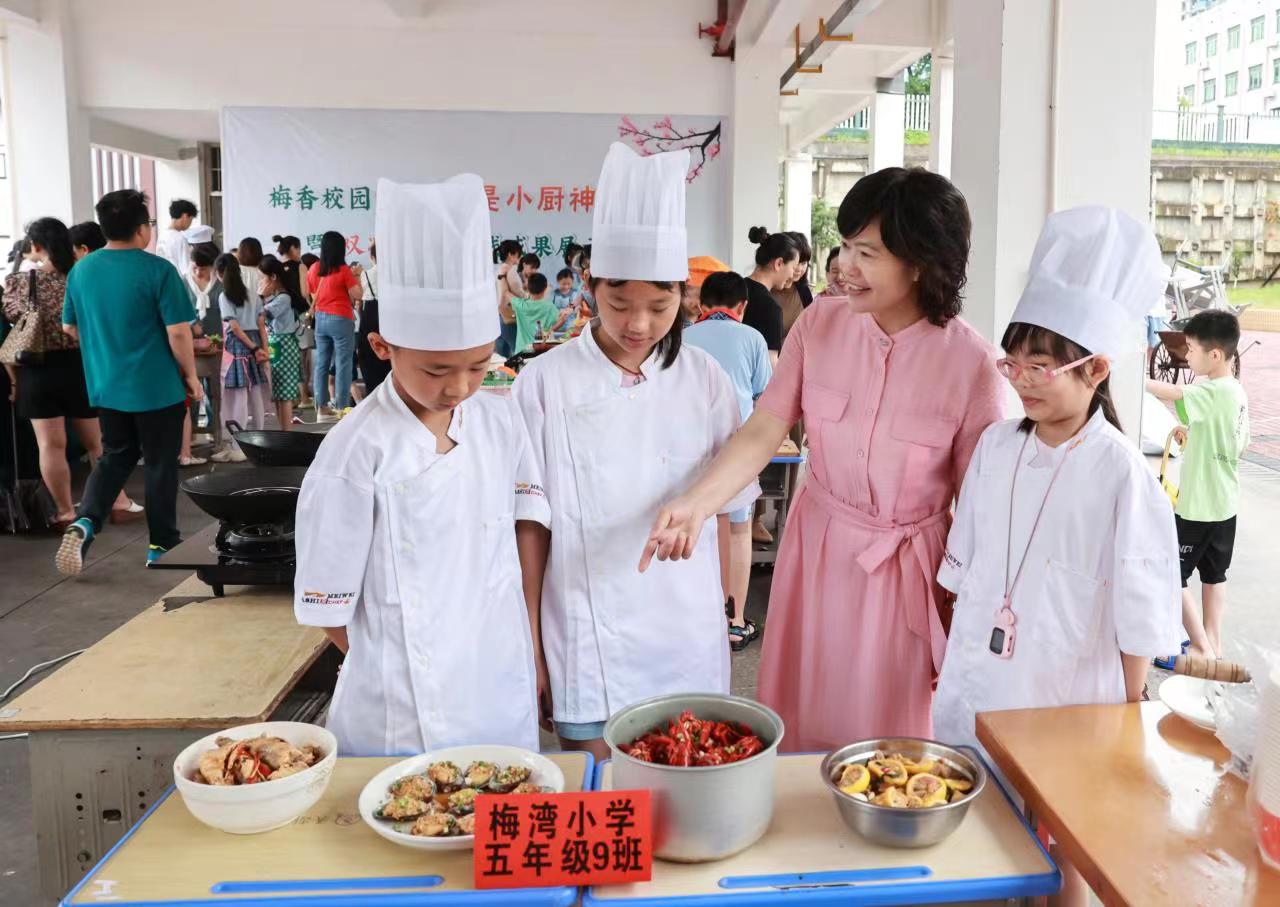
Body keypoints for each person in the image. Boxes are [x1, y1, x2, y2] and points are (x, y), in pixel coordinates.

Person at [641, 167, 1004, 752]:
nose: (846, 267)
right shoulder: (821, 324)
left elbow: (982, 510)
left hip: (907, 575)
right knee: (804, 714)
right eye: (847, 247)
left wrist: (966, 610)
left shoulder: (972, 365)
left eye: (868, 252)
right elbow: (764, 428)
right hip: (818, 550)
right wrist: (696, 505)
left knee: (892, 735)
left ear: (922, 261)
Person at [934, 206, 1182, 907]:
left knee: (1067, 846)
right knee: (983, 830)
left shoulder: (1121, 473)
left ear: (1096, 368)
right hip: (985, 675)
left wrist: (1128, 714)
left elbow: (1142, 607)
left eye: (1041, 364)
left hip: (1070, 694)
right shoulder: (996, 446)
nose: (1023, 379)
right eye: (1015, 360)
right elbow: (967, 560)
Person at [515, 143, 756, 763]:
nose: (640, 325)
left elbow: (735, 514)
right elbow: (531, 528)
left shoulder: (706, 379)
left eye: (661, 306)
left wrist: (732, 616)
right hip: (589, 637)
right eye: (619, 305)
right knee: (603, 796)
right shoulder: (544, 382)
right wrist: (532, 644)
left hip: (688, 632)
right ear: (590, 287)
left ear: (686, 295)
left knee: (691, 787)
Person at [293, 175, 548, 755]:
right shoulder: (355, 451)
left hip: (497, 687)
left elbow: (519, 534)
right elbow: (329, 604)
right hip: (402, 714)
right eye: (436, 371)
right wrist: (397, 668)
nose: (460, 387)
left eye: (479, 365)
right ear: (383, 347)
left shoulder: (498, 421)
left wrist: (526, 649)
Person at [56, 189, 200, 573]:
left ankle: (86, 519)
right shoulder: (158, 270)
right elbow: (179, 333)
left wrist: (107, 345)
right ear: (141, 229)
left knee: (115, 457)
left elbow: (70, 327)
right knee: (158, 465)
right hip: (156, 388)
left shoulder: (81, 271)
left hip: (107, 386)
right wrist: (190, 376)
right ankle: (162, 544)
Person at [2, 218, 142, 529]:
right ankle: (117, 502)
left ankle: (65, 513)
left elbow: (12, 316)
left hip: (37, 370)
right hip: (80, 367)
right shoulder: (84, 277)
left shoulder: (21, 283)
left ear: (35, 246)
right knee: (99, 444)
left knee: (51, 445)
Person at [1147, 310, 1249, 660]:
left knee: (1169, 572)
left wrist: (1132, 378)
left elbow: (1173, 391)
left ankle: (1201, 648)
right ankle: (1213, 644)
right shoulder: (1236, 393)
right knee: (1214, 574)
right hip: (1225, 504)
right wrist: (1194, 434)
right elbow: (1236, 442)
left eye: (1191, 349)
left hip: (1199, 506)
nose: (1187, 356)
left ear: (1215, 355)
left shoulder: (1214, 390)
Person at [682, 269, 773, 651]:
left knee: (692, 529)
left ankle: (694, 621)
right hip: (737, 450)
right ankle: (734, 622)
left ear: (700, 304)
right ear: (743, 306)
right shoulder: (752, 337)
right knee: (737, 532)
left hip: (687, 450)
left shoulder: (682, 337)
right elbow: (766, 395)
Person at [211, 253, 269, 463]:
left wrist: (254, 349)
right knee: (255, 394)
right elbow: (261, 325)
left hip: (239, 345)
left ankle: (238, 446)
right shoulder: (253, 294)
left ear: (219, 273)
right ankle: (259, 441)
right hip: (254, 343)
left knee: (237, 398)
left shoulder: (225, 296)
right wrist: (263, 349)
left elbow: (234, 327)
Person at [307, 231, 363, 418]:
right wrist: (356, 276)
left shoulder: (314, 268)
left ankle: (321, 408)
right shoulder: (344, 270)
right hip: (340, 319)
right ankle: (341, 408)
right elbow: (358, 295)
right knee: (343, 364)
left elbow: (313, 294)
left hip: (320, 320)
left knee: (321, 364)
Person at [180, 244, 221, 465]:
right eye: (195, 268)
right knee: (191, 385)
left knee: (214, 389)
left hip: (216, 340)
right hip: (190, 343)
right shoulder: (183, 282)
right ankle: (192, 433)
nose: (198, 273)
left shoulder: (220, 283)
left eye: (203, 269)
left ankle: (216, 431)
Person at [743, 228, 798, 366]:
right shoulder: (770, 308)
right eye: (793, 267)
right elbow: (770, 365)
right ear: (779, 263)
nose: (793, 275)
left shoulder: (734, 288)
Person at [260, 254, 302, 432]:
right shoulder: (279, 297)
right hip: (278, 346)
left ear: (273, 277)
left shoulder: (283, 298)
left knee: (284, 395)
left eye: (263, 277)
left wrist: (260, 295)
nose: (261, 282)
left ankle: (287, 434)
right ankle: (284, 432)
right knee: (278, 394)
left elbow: (261, 315)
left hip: (284, 346)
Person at [356, 241, 390, 394]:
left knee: (369, 351)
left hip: (370, 311)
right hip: (388, 310)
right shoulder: (393, 273)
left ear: (372, 256)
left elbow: (360, 298)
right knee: (389, 350)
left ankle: (373, 391)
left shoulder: (365, 274)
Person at [511, 273, 569, 353]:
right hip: (541, 351)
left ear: (527, 288)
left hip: (521, 351)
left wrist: (503, 275)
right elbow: (560, 321)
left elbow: (506, 293)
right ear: (545, 289)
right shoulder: (549, 306)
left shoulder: (520, 304)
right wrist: (562, 321)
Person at [773, 232, 813, 335]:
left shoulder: (804, 291)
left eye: (803, 263)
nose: (799, 269)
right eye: (796, 263)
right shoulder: (767, 289)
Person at [494, 239, 524, 358]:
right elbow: (518, 292)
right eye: (518, 254)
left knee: (503, 357)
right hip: (509, 315)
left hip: (499, 315)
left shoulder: (500, 269)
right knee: (518, 352)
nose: (519, 257)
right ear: (511, 254)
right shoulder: (510, 270)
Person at [155, 199, 198, 274]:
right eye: (190, 219)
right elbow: (186, 269)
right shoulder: (180, 238)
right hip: (176, 281)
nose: (190, 224)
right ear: (185, 216)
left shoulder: (162, 235)